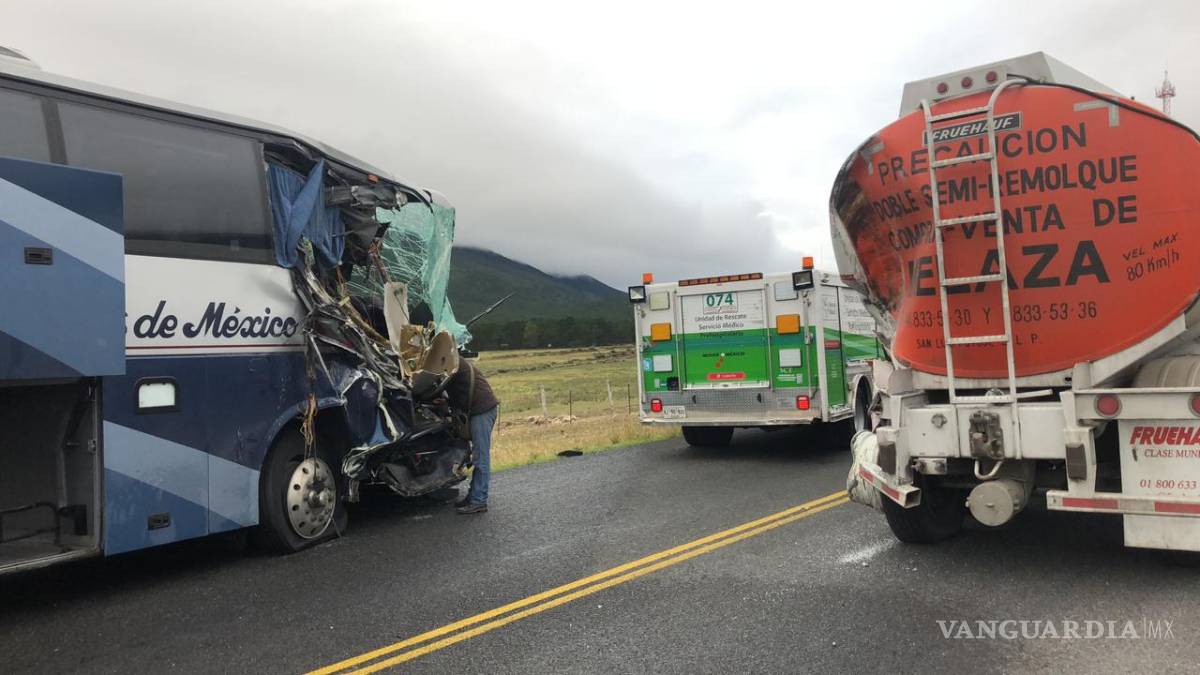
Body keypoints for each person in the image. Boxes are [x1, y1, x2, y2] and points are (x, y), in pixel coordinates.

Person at [446, 357, 500, 514]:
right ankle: (474, 496)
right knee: (479, 455)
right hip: (481, 409)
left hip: (482, 410)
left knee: (480, 457)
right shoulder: (455, 362)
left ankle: (479, 501)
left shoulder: (451, 364)